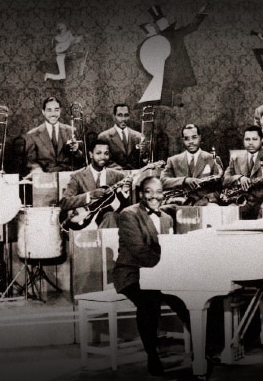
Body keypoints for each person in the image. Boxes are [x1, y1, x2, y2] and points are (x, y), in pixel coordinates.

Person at [113, 176, 189, 377]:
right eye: (149, 191)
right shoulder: (128, 214)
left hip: (159, 275)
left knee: (186, 299)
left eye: (159, 192)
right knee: (149, 302)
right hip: (131, 274)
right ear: (141, 194)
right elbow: (139, 250)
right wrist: (164, 269)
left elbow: (170, 249)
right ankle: (152, 356)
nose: (154, 196)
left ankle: (205, 350)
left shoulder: (167, 218)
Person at [60, 139, 131, 229]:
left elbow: (124, 208)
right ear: (91, 154)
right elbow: (64, 202)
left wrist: (124, 193)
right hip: (85, 224)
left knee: (110, 216)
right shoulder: (77, 176)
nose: (103, 157)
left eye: (106, 153)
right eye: (98, 153)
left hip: (108, 222)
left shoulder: (118, 176)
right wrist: (89, 195)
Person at [222, 125, 263, 220]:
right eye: (247, 139)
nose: (250, 143)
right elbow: (225, 180)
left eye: (254, 139)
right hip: (242, 202)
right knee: (228, 214)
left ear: (261, 140)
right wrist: (238, 177)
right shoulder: (235, 158)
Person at [160, 123, 223, 206]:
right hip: (180, 205)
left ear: (200, 137)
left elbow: (221, 189)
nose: (191, 142)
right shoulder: (173, 160)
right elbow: (162, 181)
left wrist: (207, 199)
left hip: (205, 205)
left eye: (194, 137)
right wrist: (184, 180)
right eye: (187, 139)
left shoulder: (213, 159)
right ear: (183, 140)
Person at [25, 96, 85, 175]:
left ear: (60, 111)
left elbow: (81, 161)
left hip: (68, 176)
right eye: (49, 110)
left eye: (56, 110)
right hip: (44, 177)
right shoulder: (32, 135)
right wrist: (39, 172)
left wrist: (76, 151)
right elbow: (31, 162)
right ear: (43, 112)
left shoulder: (71, 131)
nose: (53, 114)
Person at [98, 104, 143, 170]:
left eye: (126, 115)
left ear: (129, 116)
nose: (123, 119)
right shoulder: (103, 137)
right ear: (114, 116)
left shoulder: (138, 136)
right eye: (120, 115)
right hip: (114, 174)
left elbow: (142, 160)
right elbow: (102, 158)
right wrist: (120, 170)